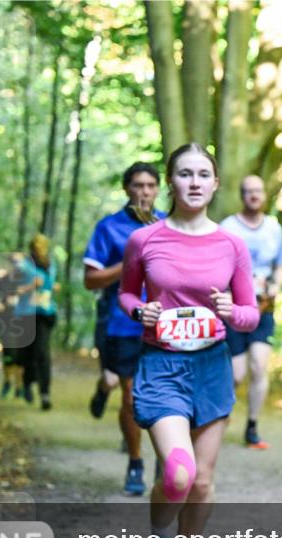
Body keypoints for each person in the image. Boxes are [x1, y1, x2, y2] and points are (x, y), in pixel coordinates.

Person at [118, 143, 258, 538]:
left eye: (203, 174)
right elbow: (127, 294)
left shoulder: (232, 243)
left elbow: (250, 314)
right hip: (162, 366)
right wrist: (142, 312)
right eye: (184, 173)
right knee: (178, 471)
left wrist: (230, 311)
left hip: (211, 366)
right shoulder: (145, 239)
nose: (194, 182)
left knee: (200, 480)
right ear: (170, 182)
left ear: (216, 184)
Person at [83, 162, 165, 495]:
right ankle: (135, 462)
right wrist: (128, 263)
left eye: (150, 185)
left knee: (165, 398)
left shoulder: (169, 225)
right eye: (137, 185)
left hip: (167, 324)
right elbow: (90, 280)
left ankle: (165, 459)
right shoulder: (109, 228)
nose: (144, 192)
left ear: (158, 189)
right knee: (131, 398)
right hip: (122, 323)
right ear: (126, 189)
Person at [219, 175, 282, 450]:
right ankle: (219, 416)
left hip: (263, 308)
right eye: (248, 191)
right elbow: (217, 266)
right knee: (236, 375)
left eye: (258, 191)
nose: (254, 196)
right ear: (242, 195)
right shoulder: (228, 227)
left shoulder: (273, 227)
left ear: (264, 194)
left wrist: (276, 287)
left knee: (259, 365)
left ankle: (252, 427)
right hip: (234, 308)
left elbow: (280, 265)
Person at [16, 234, 59, 411]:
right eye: (36, 246)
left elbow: (51, 284)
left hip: (45, 313)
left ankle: (45, 393)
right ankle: (27, 383)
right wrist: (29, 287)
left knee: (42, 352)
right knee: (28, 354)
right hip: (26, 313)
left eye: (42, 246)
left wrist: (53, 286)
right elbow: (15, 289)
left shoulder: (51, 264)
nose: (40, 249)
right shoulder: (24, 265)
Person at [0, 254, 25, 398]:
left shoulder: (23, 280)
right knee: (9, 353)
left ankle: (19, 386)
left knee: (21, 354)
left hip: (22, 322)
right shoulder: (0, 281)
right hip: (5, 321)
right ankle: (7, 381)